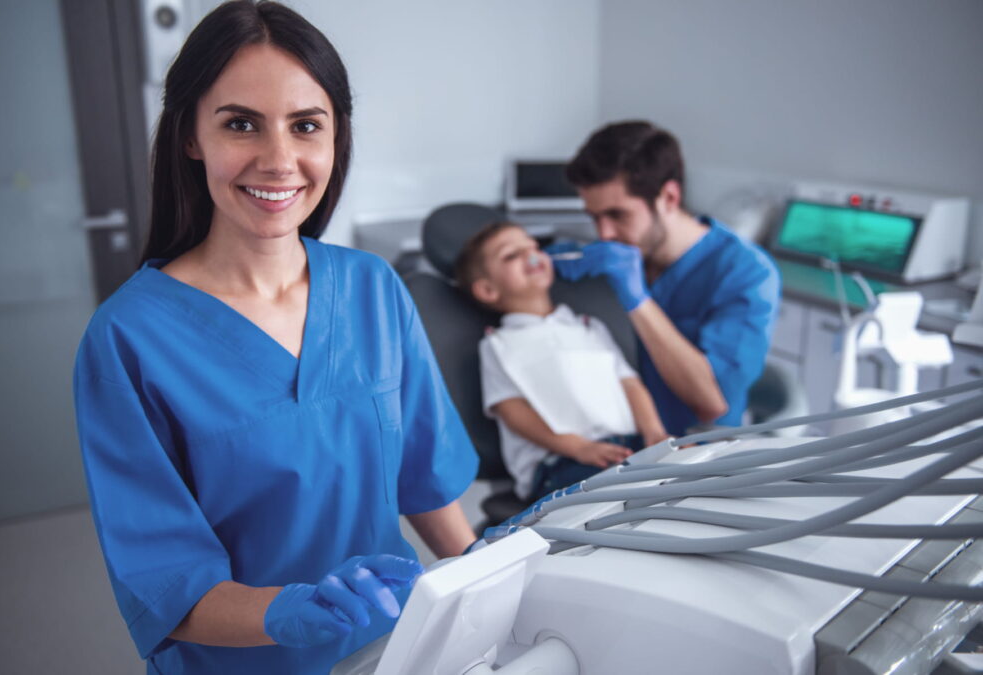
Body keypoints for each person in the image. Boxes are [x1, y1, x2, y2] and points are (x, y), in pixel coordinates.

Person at [72, 2, 479, 673]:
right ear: (190, 135)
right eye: (241, 124)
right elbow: (167, 580)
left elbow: (425, 478)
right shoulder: (127, 339)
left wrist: (489, 571)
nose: (279, 159)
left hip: (393, 649)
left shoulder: (373, 287)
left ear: (334, 137)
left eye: (306, 126)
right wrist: (283, 611)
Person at [554, 120, 781, 437]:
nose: (604, 234)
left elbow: (712, 404)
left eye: (618, 215)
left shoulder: (746, 272)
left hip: (693, 453)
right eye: (594, 217)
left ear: (669, 197)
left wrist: (638, 301)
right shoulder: (623, 253)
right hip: (615, 443)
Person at [454, 221, 669, 501]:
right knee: (636, 494)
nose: (532, 256)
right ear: (487, 290)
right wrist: (577, 447)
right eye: (511, 255)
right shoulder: (498, 345)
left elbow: (630, 384)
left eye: (533, 247)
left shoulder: (589, 327)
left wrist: (655, 432)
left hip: (629, 446)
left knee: (691, 473)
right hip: (561, 463)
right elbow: (512, 410)